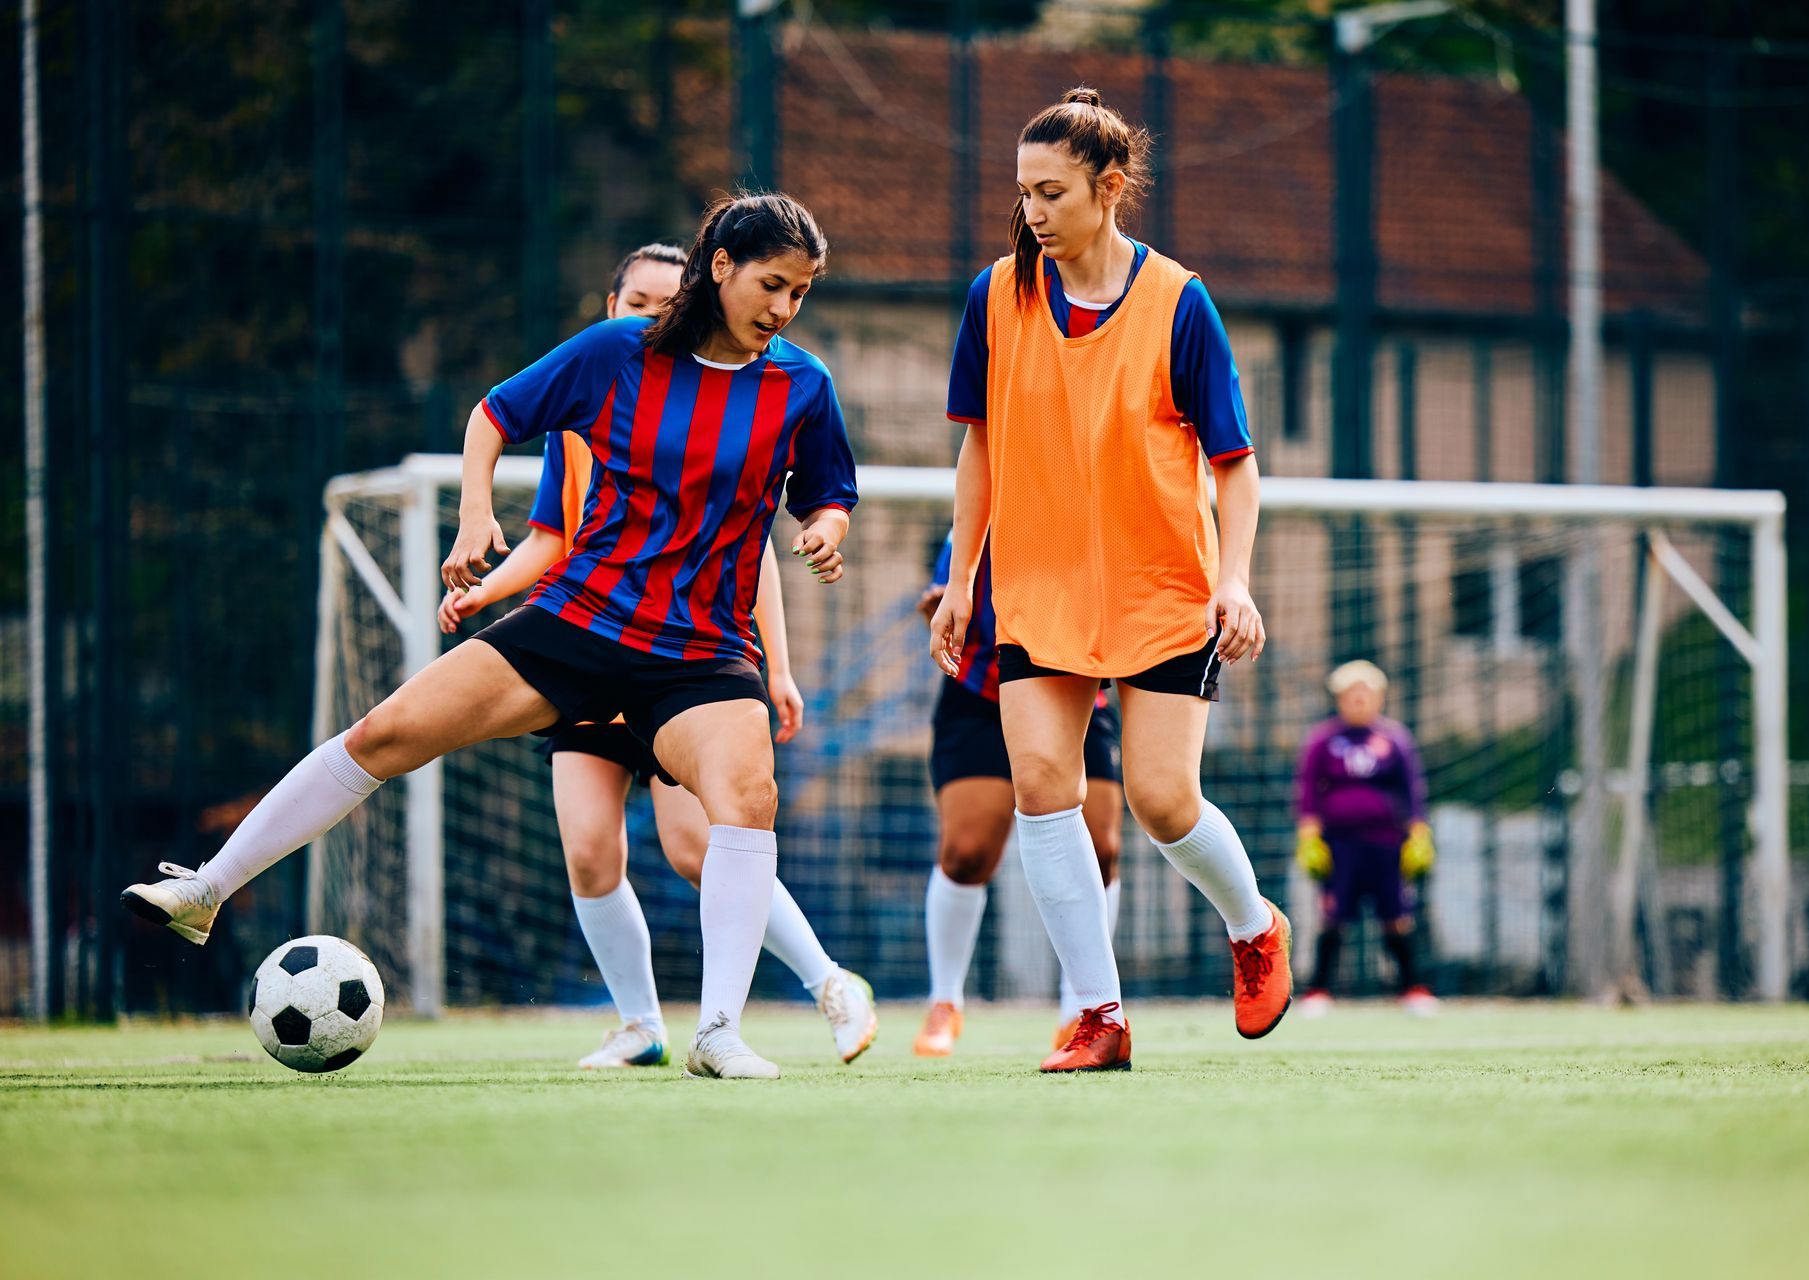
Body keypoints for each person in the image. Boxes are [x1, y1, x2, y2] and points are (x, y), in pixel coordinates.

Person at [123, 192, 856, 1080]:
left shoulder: (803, 385)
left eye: (801, 294)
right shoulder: (615, 352)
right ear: (722, 268)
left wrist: (825, 530)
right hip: (581, 621)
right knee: (384, 735)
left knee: (747, 801)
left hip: (701, 652)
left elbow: (826, 492)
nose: (782, 310)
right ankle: (206, 888)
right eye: (772, 285)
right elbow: (493, 414)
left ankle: (717, 1033)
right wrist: (475, 517)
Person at [437, 242, 876, 1070]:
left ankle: (826, 983)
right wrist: (486, 594)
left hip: (682, 663)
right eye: (635, 302)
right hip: (582, 646)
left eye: (661, 303)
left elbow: (754, 554)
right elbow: (549, 541)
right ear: (609, 307)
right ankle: (641, 1023)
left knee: (696, 845)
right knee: (589, 849)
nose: (648, 316)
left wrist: (775, 667)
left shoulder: (754, 396)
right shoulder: (585, 411)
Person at [928, 88, 1291, 1073]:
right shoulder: (995, 296)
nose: (1033, 211)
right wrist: (963, 575)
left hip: (1159, 584)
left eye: (1052, 192)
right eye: (1024, 193)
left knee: (1162, 800)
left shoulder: (1180, 300)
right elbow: (980, 446)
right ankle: (1099, 1013)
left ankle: (1255, 927)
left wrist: (1238, 582)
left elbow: (1235, 461)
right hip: (1034, 587)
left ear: (1110, 187)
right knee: (1042, 788)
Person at [911, 533, 1124, 1057]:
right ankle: (945, 1001)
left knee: (1102, 851)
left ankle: (1083, 1007)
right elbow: (944, 590)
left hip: (1076, 685)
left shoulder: (1100, 510)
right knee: (967, 852)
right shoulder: (982, 516)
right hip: (980, 689)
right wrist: (943, 603)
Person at [1293, 660, 1438, 1017]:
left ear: (1379, 698)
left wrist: (1418, 830)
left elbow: (1412, 789)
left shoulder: (1395, 739)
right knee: (1332, 916)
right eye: (1350, 694)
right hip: (1339, 845)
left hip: (1387, 844)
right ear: (1340, 699)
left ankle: (1413, 989)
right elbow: (1309, 789)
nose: (1358, 700)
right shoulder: (1323, 740)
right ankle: (1319, 991)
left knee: (1397, 917)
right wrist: (1309, 832)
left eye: (1365, 693)